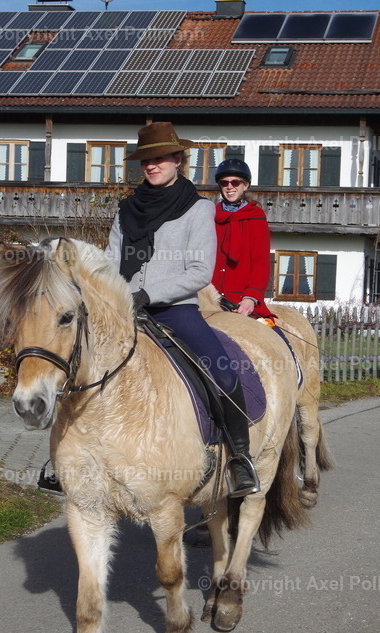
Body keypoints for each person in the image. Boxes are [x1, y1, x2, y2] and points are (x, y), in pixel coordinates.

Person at [105, 122, 259, 497]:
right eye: (146, 161)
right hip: (123, 308)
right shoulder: (126, 209)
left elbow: (199, 272)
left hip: (175, 310)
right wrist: (111, 295)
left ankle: (240, 458)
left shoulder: (197, 209)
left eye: (159, 159)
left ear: (178, 160)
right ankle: (75, 458)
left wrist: (148, 294)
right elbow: (110, 261)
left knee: (222, 371)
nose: (152, 166)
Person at [210, 158, 275, 321]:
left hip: (242, 301)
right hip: (210, 299)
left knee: (273, 341)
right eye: (224, 182)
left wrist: (250, 297)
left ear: (245, 185)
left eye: (235, 182)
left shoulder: (256, 218)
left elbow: (261, 263)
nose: (229, 186)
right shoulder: (210, 216)